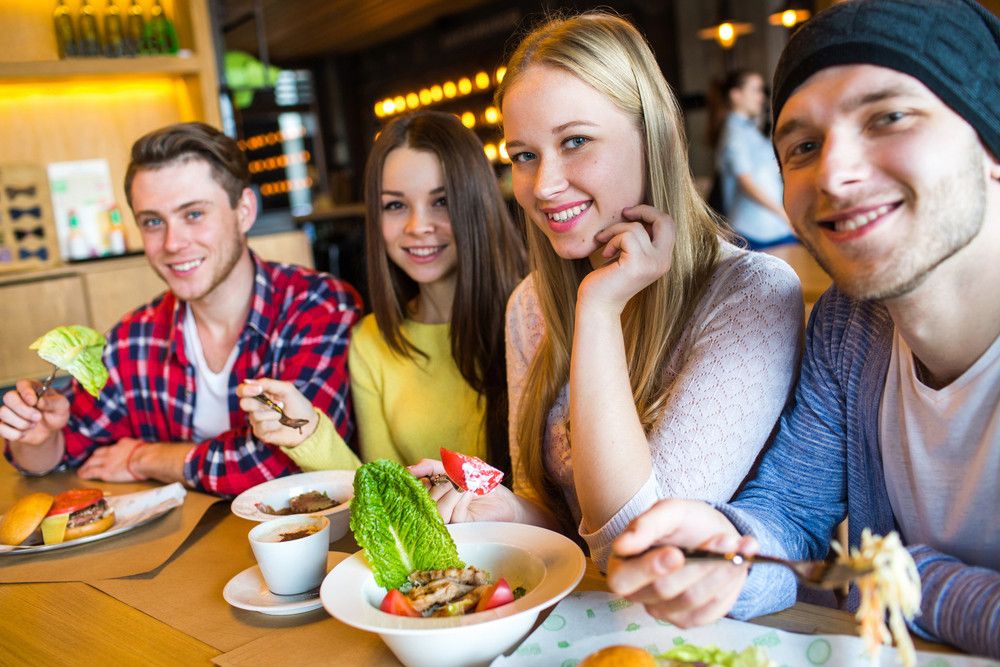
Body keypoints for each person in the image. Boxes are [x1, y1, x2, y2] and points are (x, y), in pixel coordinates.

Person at [605, 0, 1000, 658]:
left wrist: (903, 578)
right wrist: (724, 549)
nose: (835, 175)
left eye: (888, 116)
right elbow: (792, 511)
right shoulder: (851, 325)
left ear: (991, 144)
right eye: (802, 146)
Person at [411, 12, 803, 570]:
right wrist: (506, 511)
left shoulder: (752, 296)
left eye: (575, 141)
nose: (543, 185)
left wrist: (597, 308)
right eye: (524, 155)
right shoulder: (530, 302)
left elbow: (640, 549)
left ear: (656, 136)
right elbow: (569, 528)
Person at [0, 122, 362, 497]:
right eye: (154, 222)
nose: (173, 243)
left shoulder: (319, 306)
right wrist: (36, 437)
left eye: (193, 214)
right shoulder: (134, 339)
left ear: (244, 211)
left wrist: (148, 457)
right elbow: (62, 450)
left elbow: (281, 465)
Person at [238, 110, 526, 472]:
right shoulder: (371, 341)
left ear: (477, 203)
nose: (417, 226)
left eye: (441, 201)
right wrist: (306, 432)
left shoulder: (532, 317)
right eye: (395, 205)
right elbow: (385, 494)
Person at [709, 69, 796, 249]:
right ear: (736, 95)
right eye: (755, 90)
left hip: (770, 225)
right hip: (756, 229)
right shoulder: (734, 132)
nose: (761, 96)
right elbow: (746, 182)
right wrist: (783, 213)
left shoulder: (748, 129)